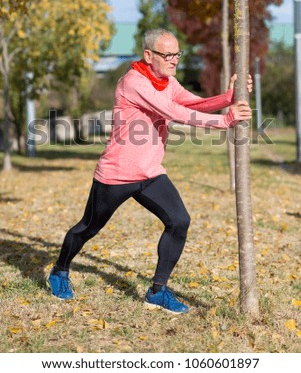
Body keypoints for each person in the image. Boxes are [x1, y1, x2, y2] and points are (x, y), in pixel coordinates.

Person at [48, 28, 252, 314]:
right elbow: (174, 113)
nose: (174, 60)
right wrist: (225, 121)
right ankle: (59, 270)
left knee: (179, 221)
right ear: (148, 55)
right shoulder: (133, 83)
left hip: (151, 173)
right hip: (117, 174)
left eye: (176, 54)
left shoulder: (167, 81)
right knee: (88, 228)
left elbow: (192, 103)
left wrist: (230, 96)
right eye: (167, 54)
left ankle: (157, 291)